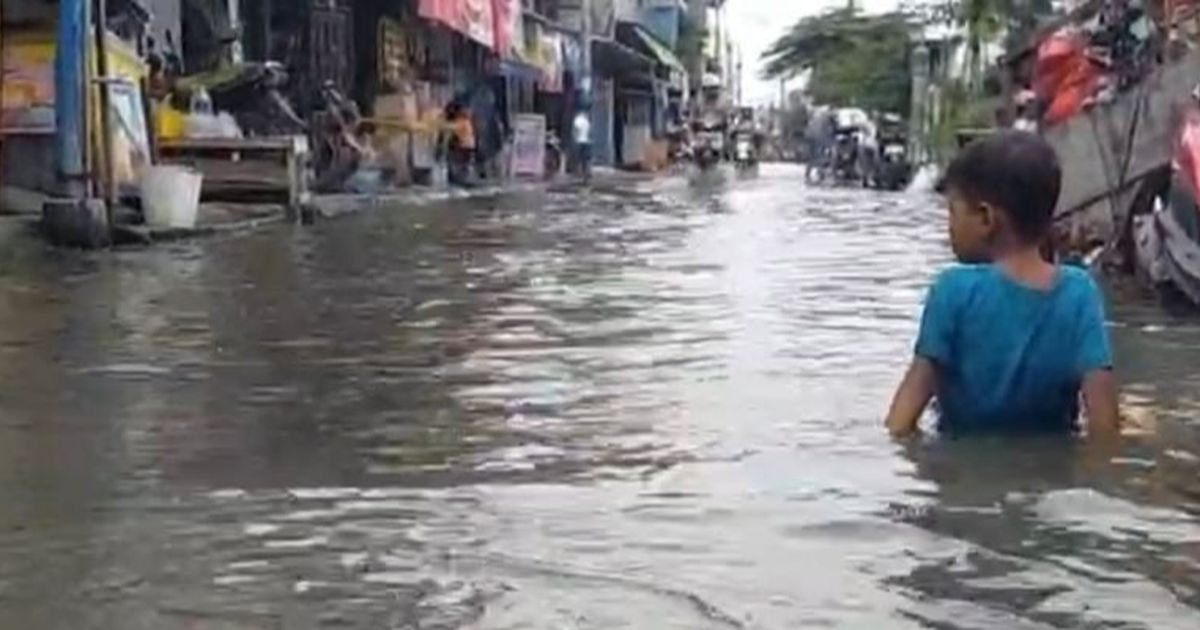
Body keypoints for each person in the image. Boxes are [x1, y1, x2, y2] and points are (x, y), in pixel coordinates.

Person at [885, 131, 1120, 438]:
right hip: (1049, 477)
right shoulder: (1079, 293)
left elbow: (900, 423)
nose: (949, 226)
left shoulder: (953, 290)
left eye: (952, 211)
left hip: (962, 476)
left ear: (985, 218)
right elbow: (1104, 429)